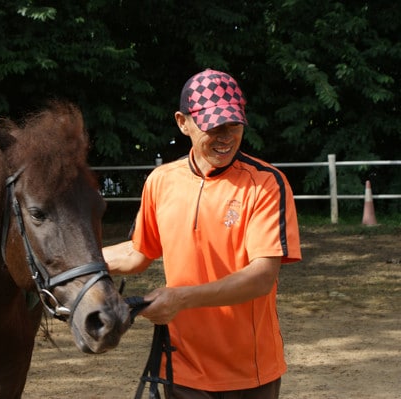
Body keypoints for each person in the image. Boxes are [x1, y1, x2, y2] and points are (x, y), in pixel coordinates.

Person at [103, 69, 302, 399]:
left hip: (248, 374)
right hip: (180, 368)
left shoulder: (266, 183)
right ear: (183, 123)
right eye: (213, 126)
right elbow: (138, 253)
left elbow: (261, 277)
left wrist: (179, 298)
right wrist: (75, 263)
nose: (225, 136)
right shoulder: (161, 181)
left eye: (234, 125)